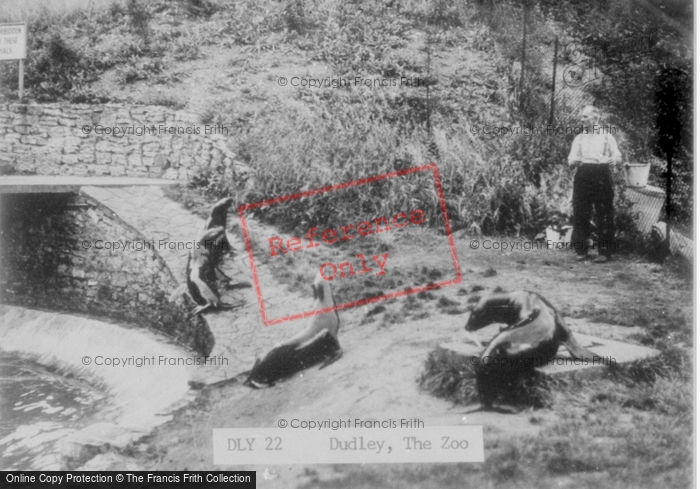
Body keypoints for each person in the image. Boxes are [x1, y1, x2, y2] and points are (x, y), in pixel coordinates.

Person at [567, 106, 622, 263]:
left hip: (601, 175)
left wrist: (613, 160)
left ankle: (605, 252)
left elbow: (617, 156)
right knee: (580, 212)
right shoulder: (579, 138)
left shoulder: (607, 137)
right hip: (583, 175)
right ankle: (581, 250)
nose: (582, 120)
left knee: (604, 213)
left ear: (596, 119)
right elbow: (570, 161)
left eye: (585, 117)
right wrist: (575, 161)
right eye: (582, 117)